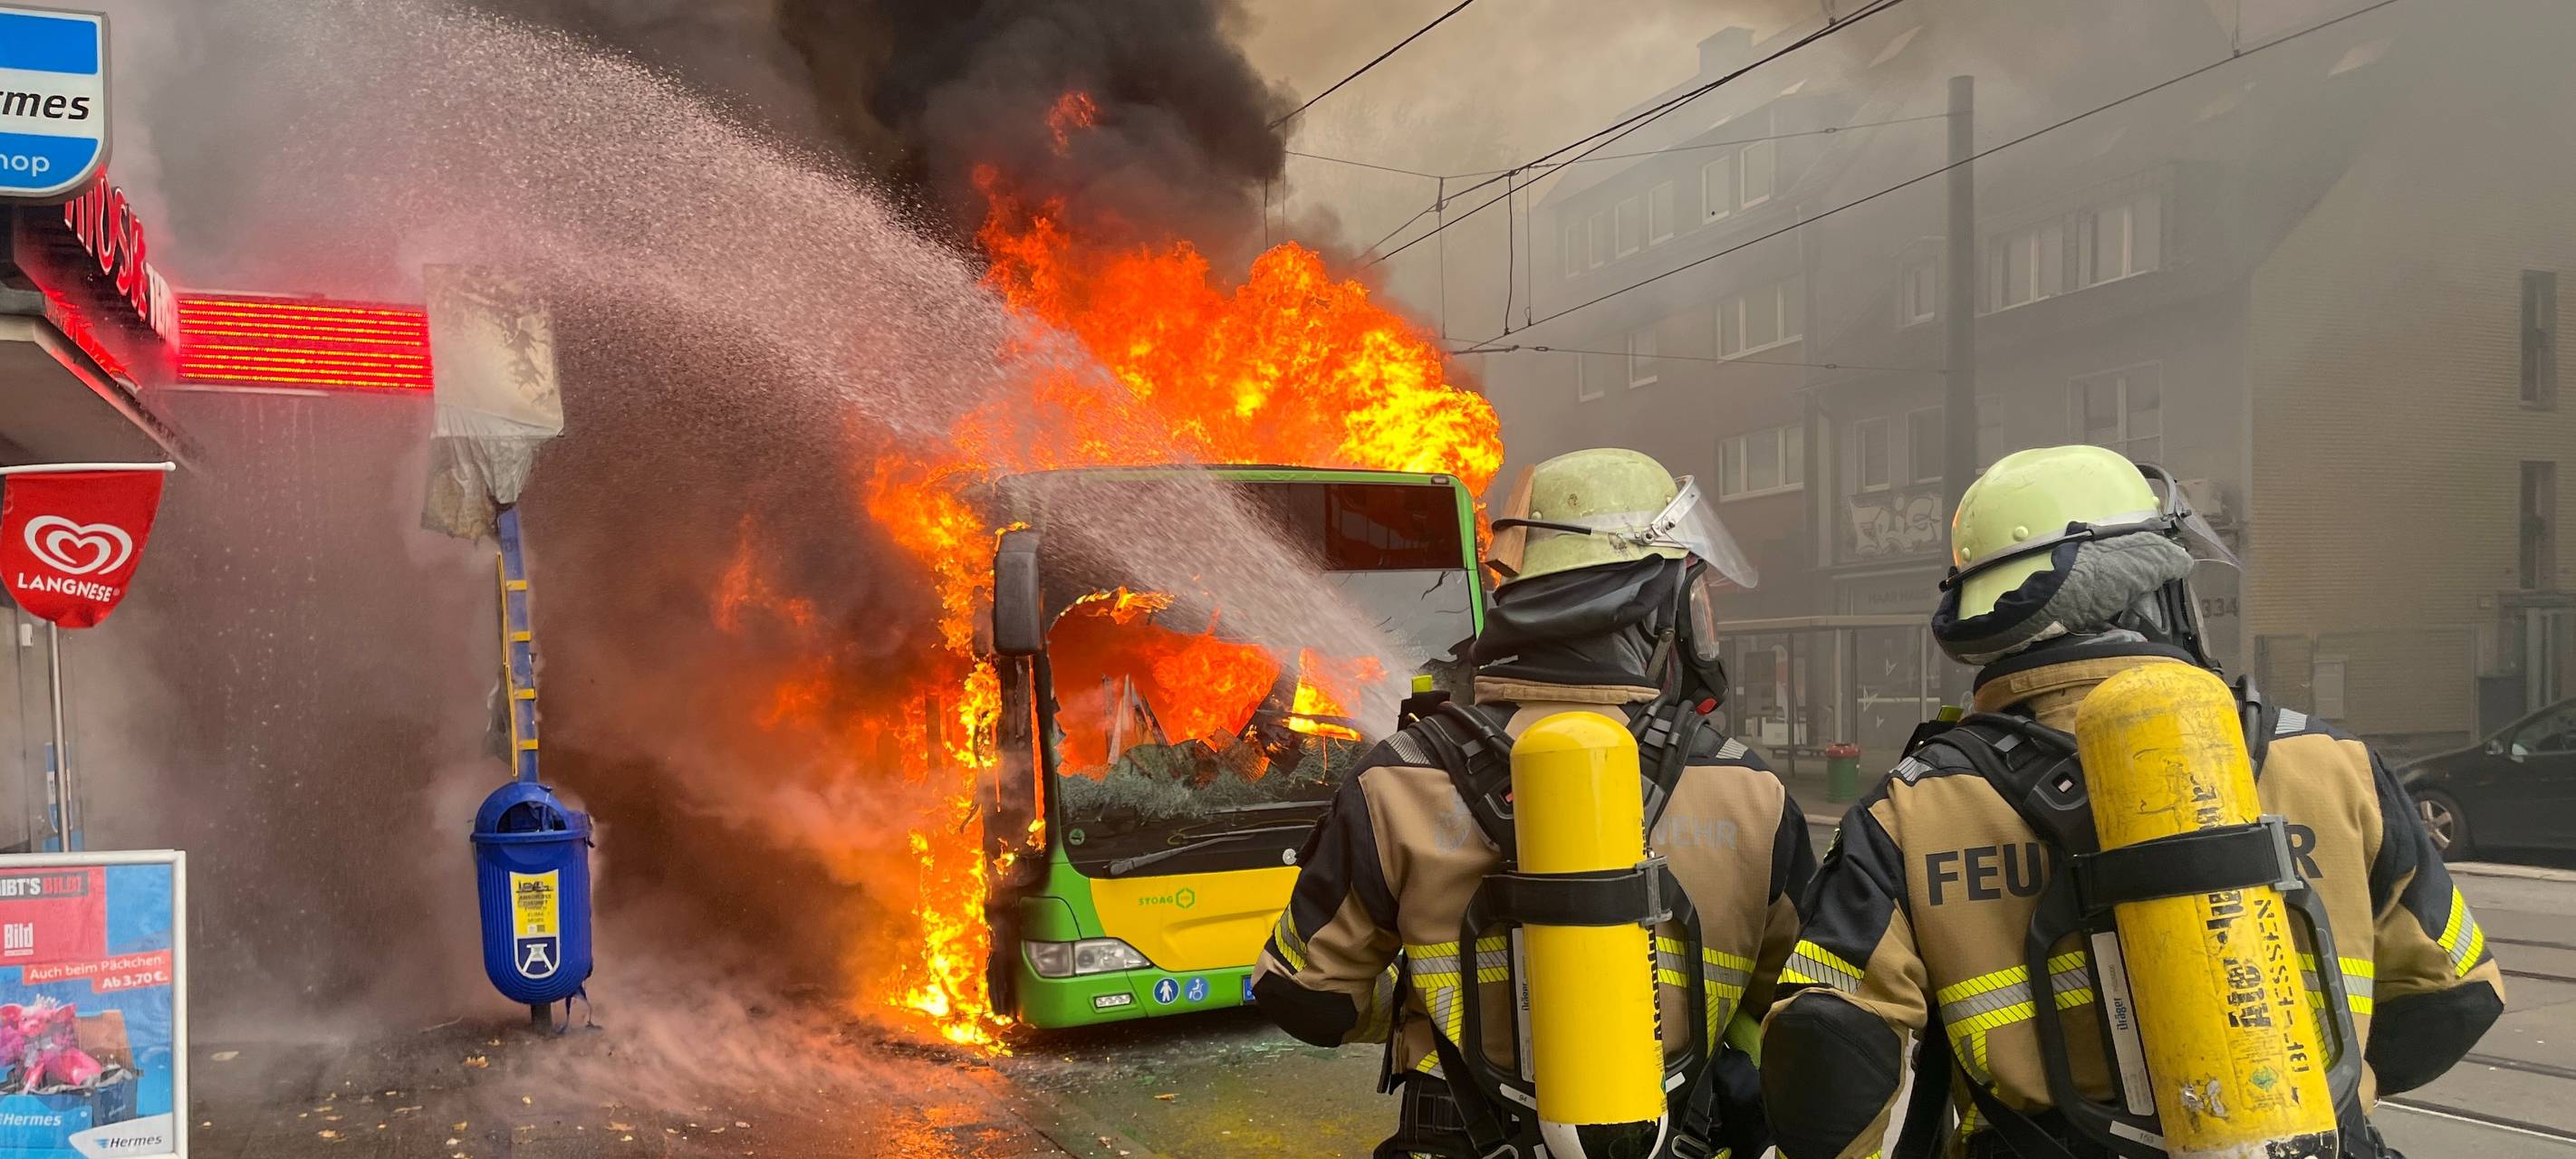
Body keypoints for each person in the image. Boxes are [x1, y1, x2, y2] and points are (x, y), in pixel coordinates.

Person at [1761, 445, 2507, 1159]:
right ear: (2156, 588)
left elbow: (1829, 1046)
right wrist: (2328, 1092)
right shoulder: (2330, 764)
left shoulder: (1915, 808)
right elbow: (2456, 996)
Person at [1252, 447, 1816, 1159]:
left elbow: (1304, 997)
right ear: (1655, 604)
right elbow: (1806, 1011)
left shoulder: (1395, 780)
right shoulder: (1749, 792)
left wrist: (1428, 999)